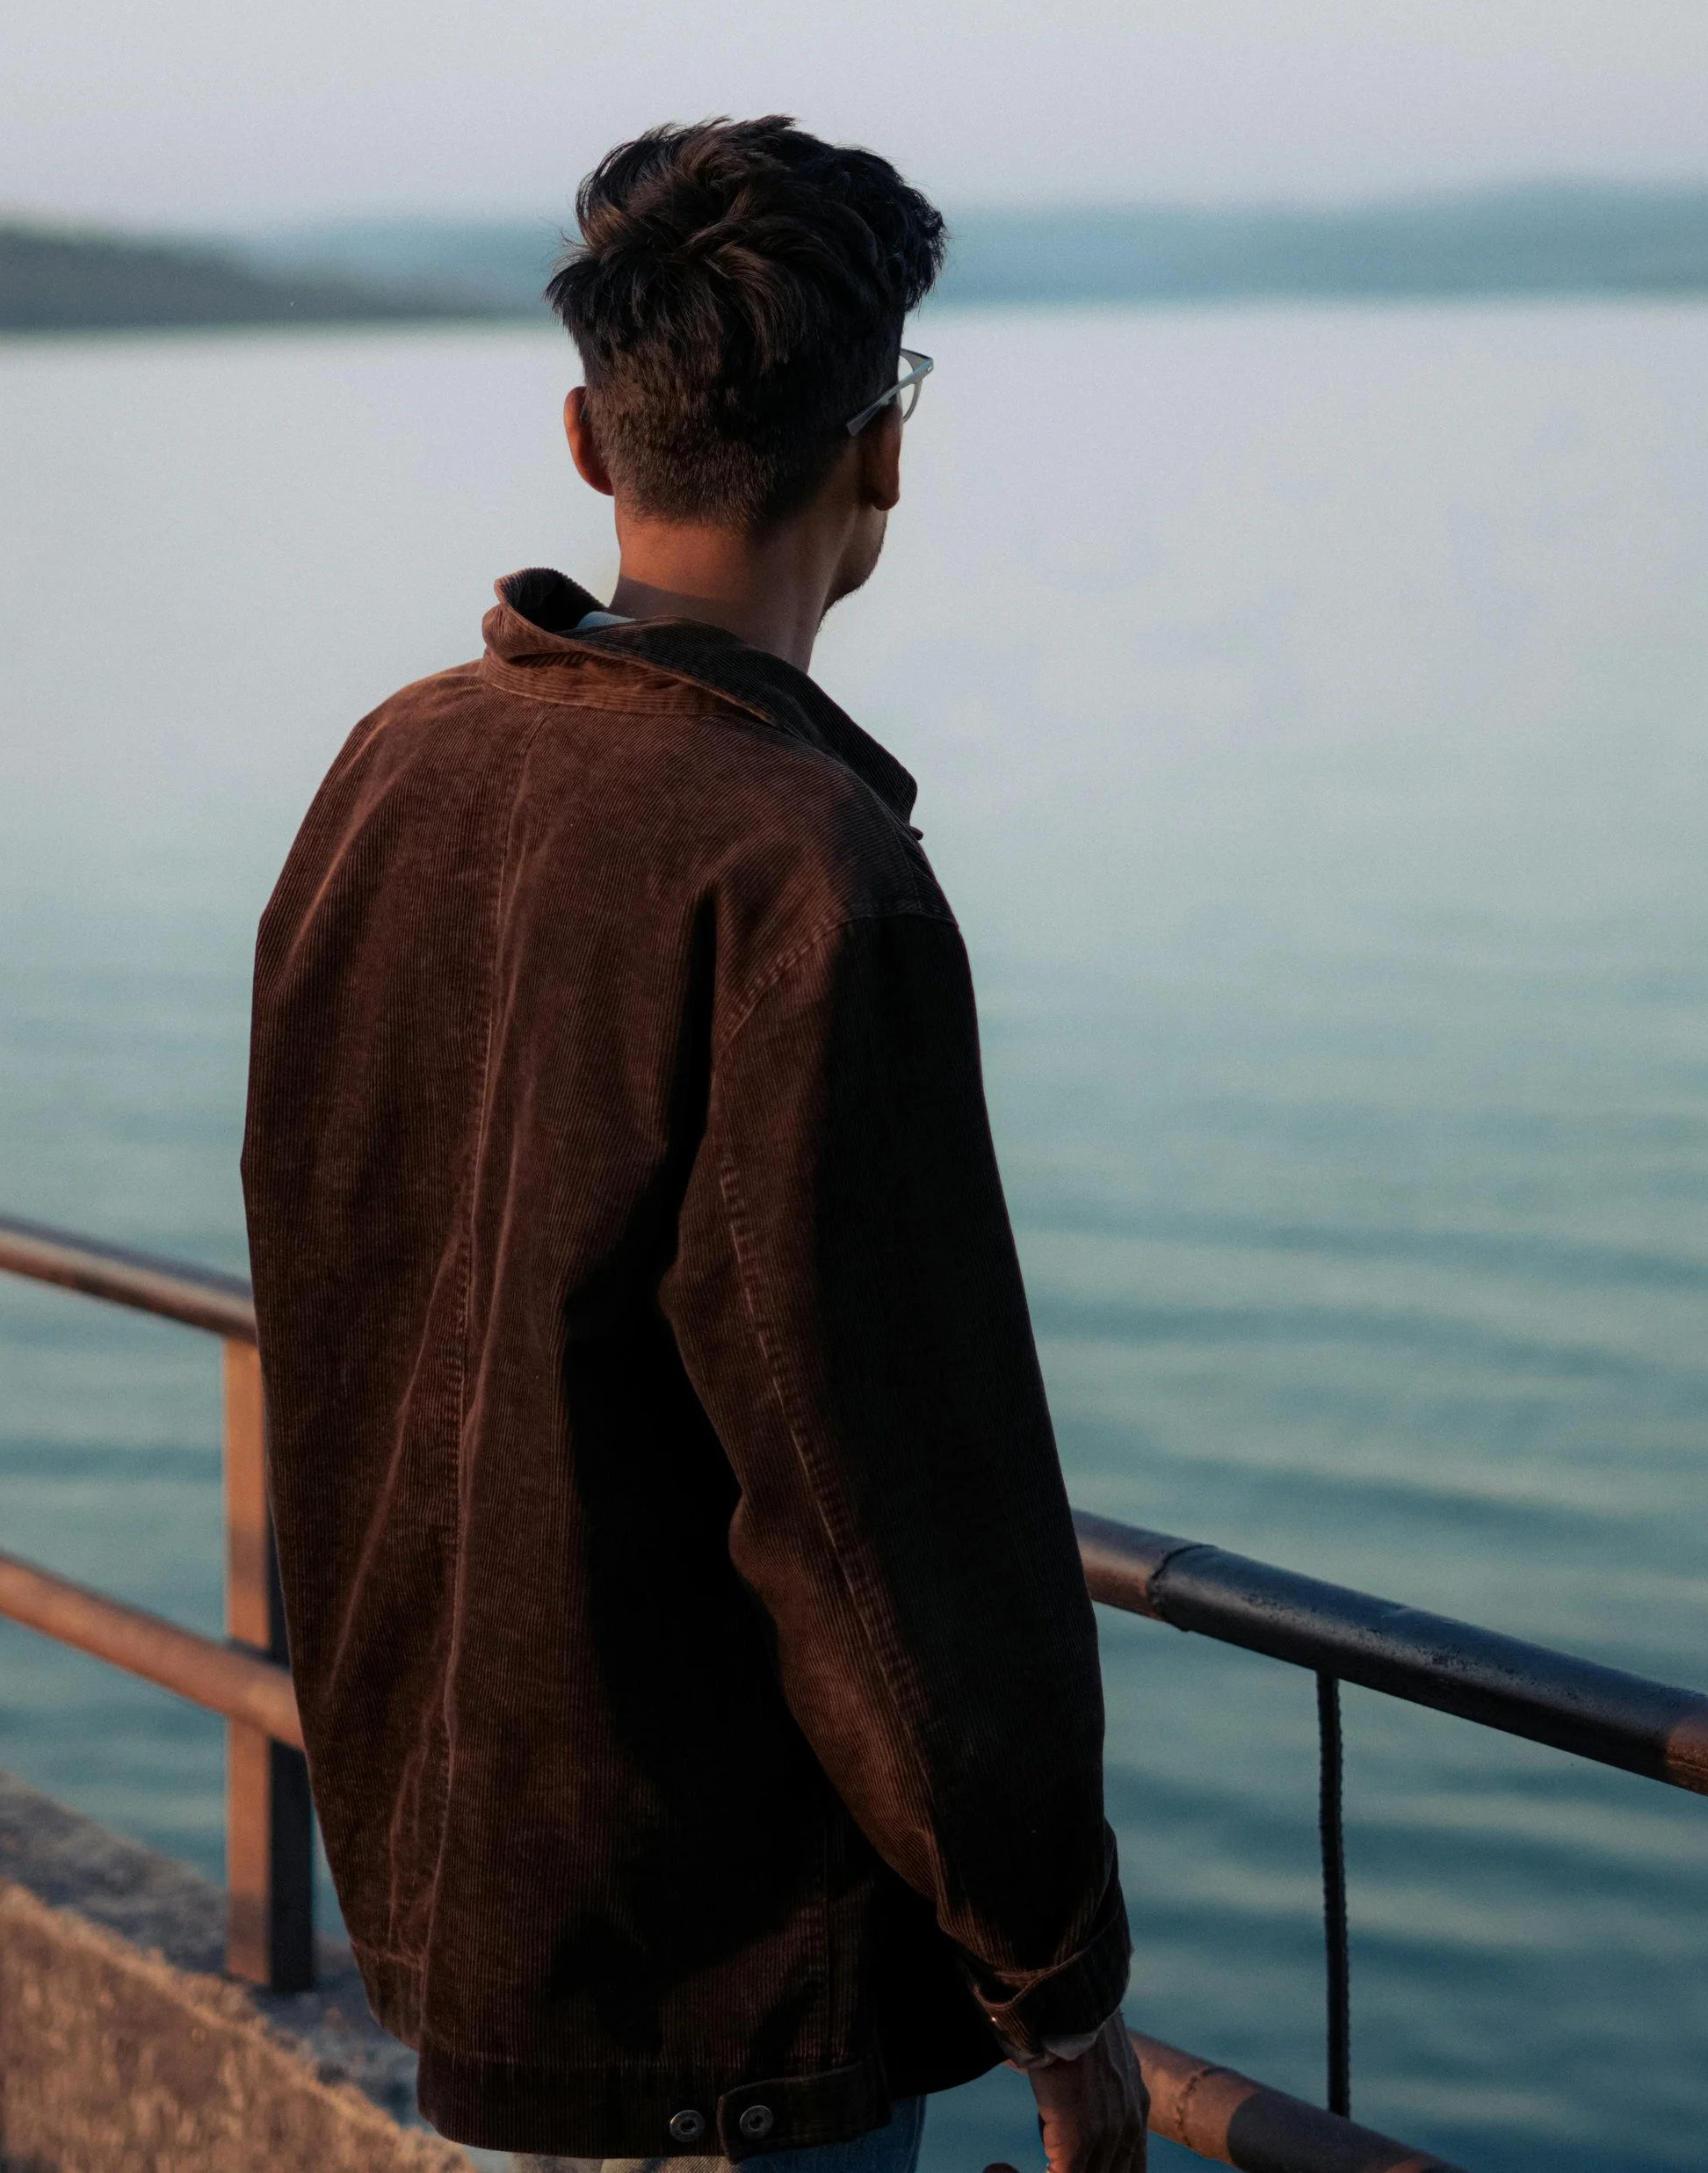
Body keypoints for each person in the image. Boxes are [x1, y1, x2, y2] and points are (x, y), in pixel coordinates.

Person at [242, 118, 1148, 2173]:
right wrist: (1059, 1984)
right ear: (881, 457)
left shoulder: (389, 771)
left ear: (586, 438)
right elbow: (883, 1506)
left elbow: (334, 1267)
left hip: (465, 1939)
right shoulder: (805, 877)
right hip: (725, 2015)